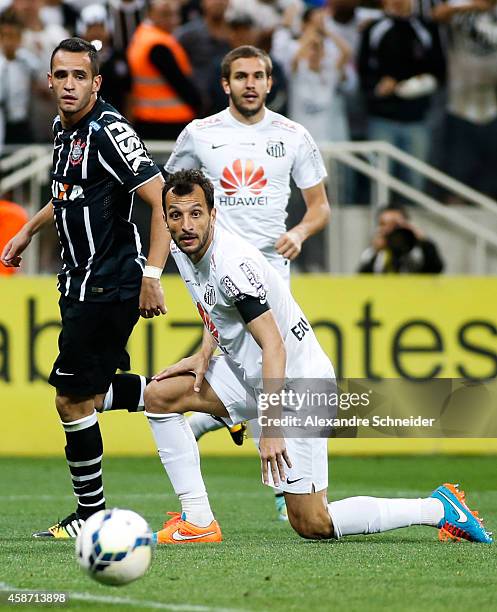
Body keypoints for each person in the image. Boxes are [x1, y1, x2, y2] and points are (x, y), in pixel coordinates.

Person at [143, 168, 492, 546]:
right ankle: (197, 522)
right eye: (176, 215)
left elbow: (273, 344)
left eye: (196, 213)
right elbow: (223, 314)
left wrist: (271, 427)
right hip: (249, 373)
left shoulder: (232, 266)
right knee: (160, 397)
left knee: (313, 523)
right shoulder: (185, 249)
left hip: (298, 384)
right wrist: (204, 351)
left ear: (214, 214)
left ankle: (438, 509)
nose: (186, 224)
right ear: (165, 219)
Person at [0, 37, 168, 538]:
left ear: (96, 83)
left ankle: (91, 515)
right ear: (49, 80)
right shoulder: (62, 129)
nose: (68, 84)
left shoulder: (110, 132)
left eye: (79, 76)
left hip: (109, 282)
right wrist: (28, 229)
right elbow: (69, 193)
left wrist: (152, 276)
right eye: (61, 75)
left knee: (71, 400)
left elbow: (159, 199)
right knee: (89, 396)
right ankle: (209, 398)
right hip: (77, 282)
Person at [358, 0, 445, 190]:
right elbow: (362, 71)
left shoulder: (426, 28)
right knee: (380, 183)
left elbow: (439, 73)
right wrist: (377, 87)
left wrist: (417, 84)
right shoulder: (374, 28)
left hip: (416, 118)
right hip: (382, 117)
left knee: (415, 182)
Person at [127, 0, 202, 140]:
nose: (173, 20)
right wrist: (199, 104)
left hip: (151, 117)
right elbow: (179, 82)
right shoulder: (157, 45)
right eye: (166, 14)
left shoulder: (143, 34)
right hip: (167, 121)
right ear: (150, 13)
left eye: (175, 14)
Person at [357, 204, 444, 273]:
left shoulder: (417, 251)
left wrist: (423, 241)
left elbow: (435, 270)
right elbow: (363, 281)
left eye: (394, 224)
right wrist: (376, 252)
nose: (389, 230)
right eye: (383, 224)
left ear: (407, 225)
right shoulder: (371, 253)